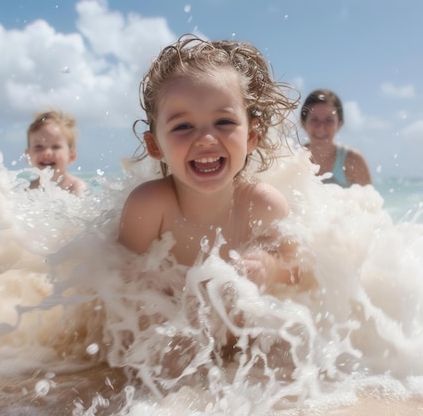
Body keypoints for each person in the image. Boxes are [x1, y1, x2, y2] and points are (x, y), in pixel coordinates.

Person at [118, 35, 299, 287]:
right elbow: (119, 290)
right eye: (183, 126)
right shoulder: (148, 207)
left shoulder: (262, 205)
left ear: (250, 137)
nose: (205, 139)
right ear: (155, 145)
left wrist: (269, 268)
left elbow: (298, 273)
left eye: (223, 121)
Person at [300, 89, 372, 187]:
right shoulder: (294, 159)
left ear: (339, 124)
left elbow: (371, 201)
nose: (321, 127)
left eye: (329, 120)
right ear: (304, 123)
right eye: (314, 120)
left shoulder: (352, 160)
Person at [25, 109, 87, 196]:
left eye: (55, 147)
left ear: (71, 156)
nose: (47, 153)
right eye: (38, 146)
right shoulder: (27, 189)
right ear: (28, 155)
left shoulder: (76, 186)